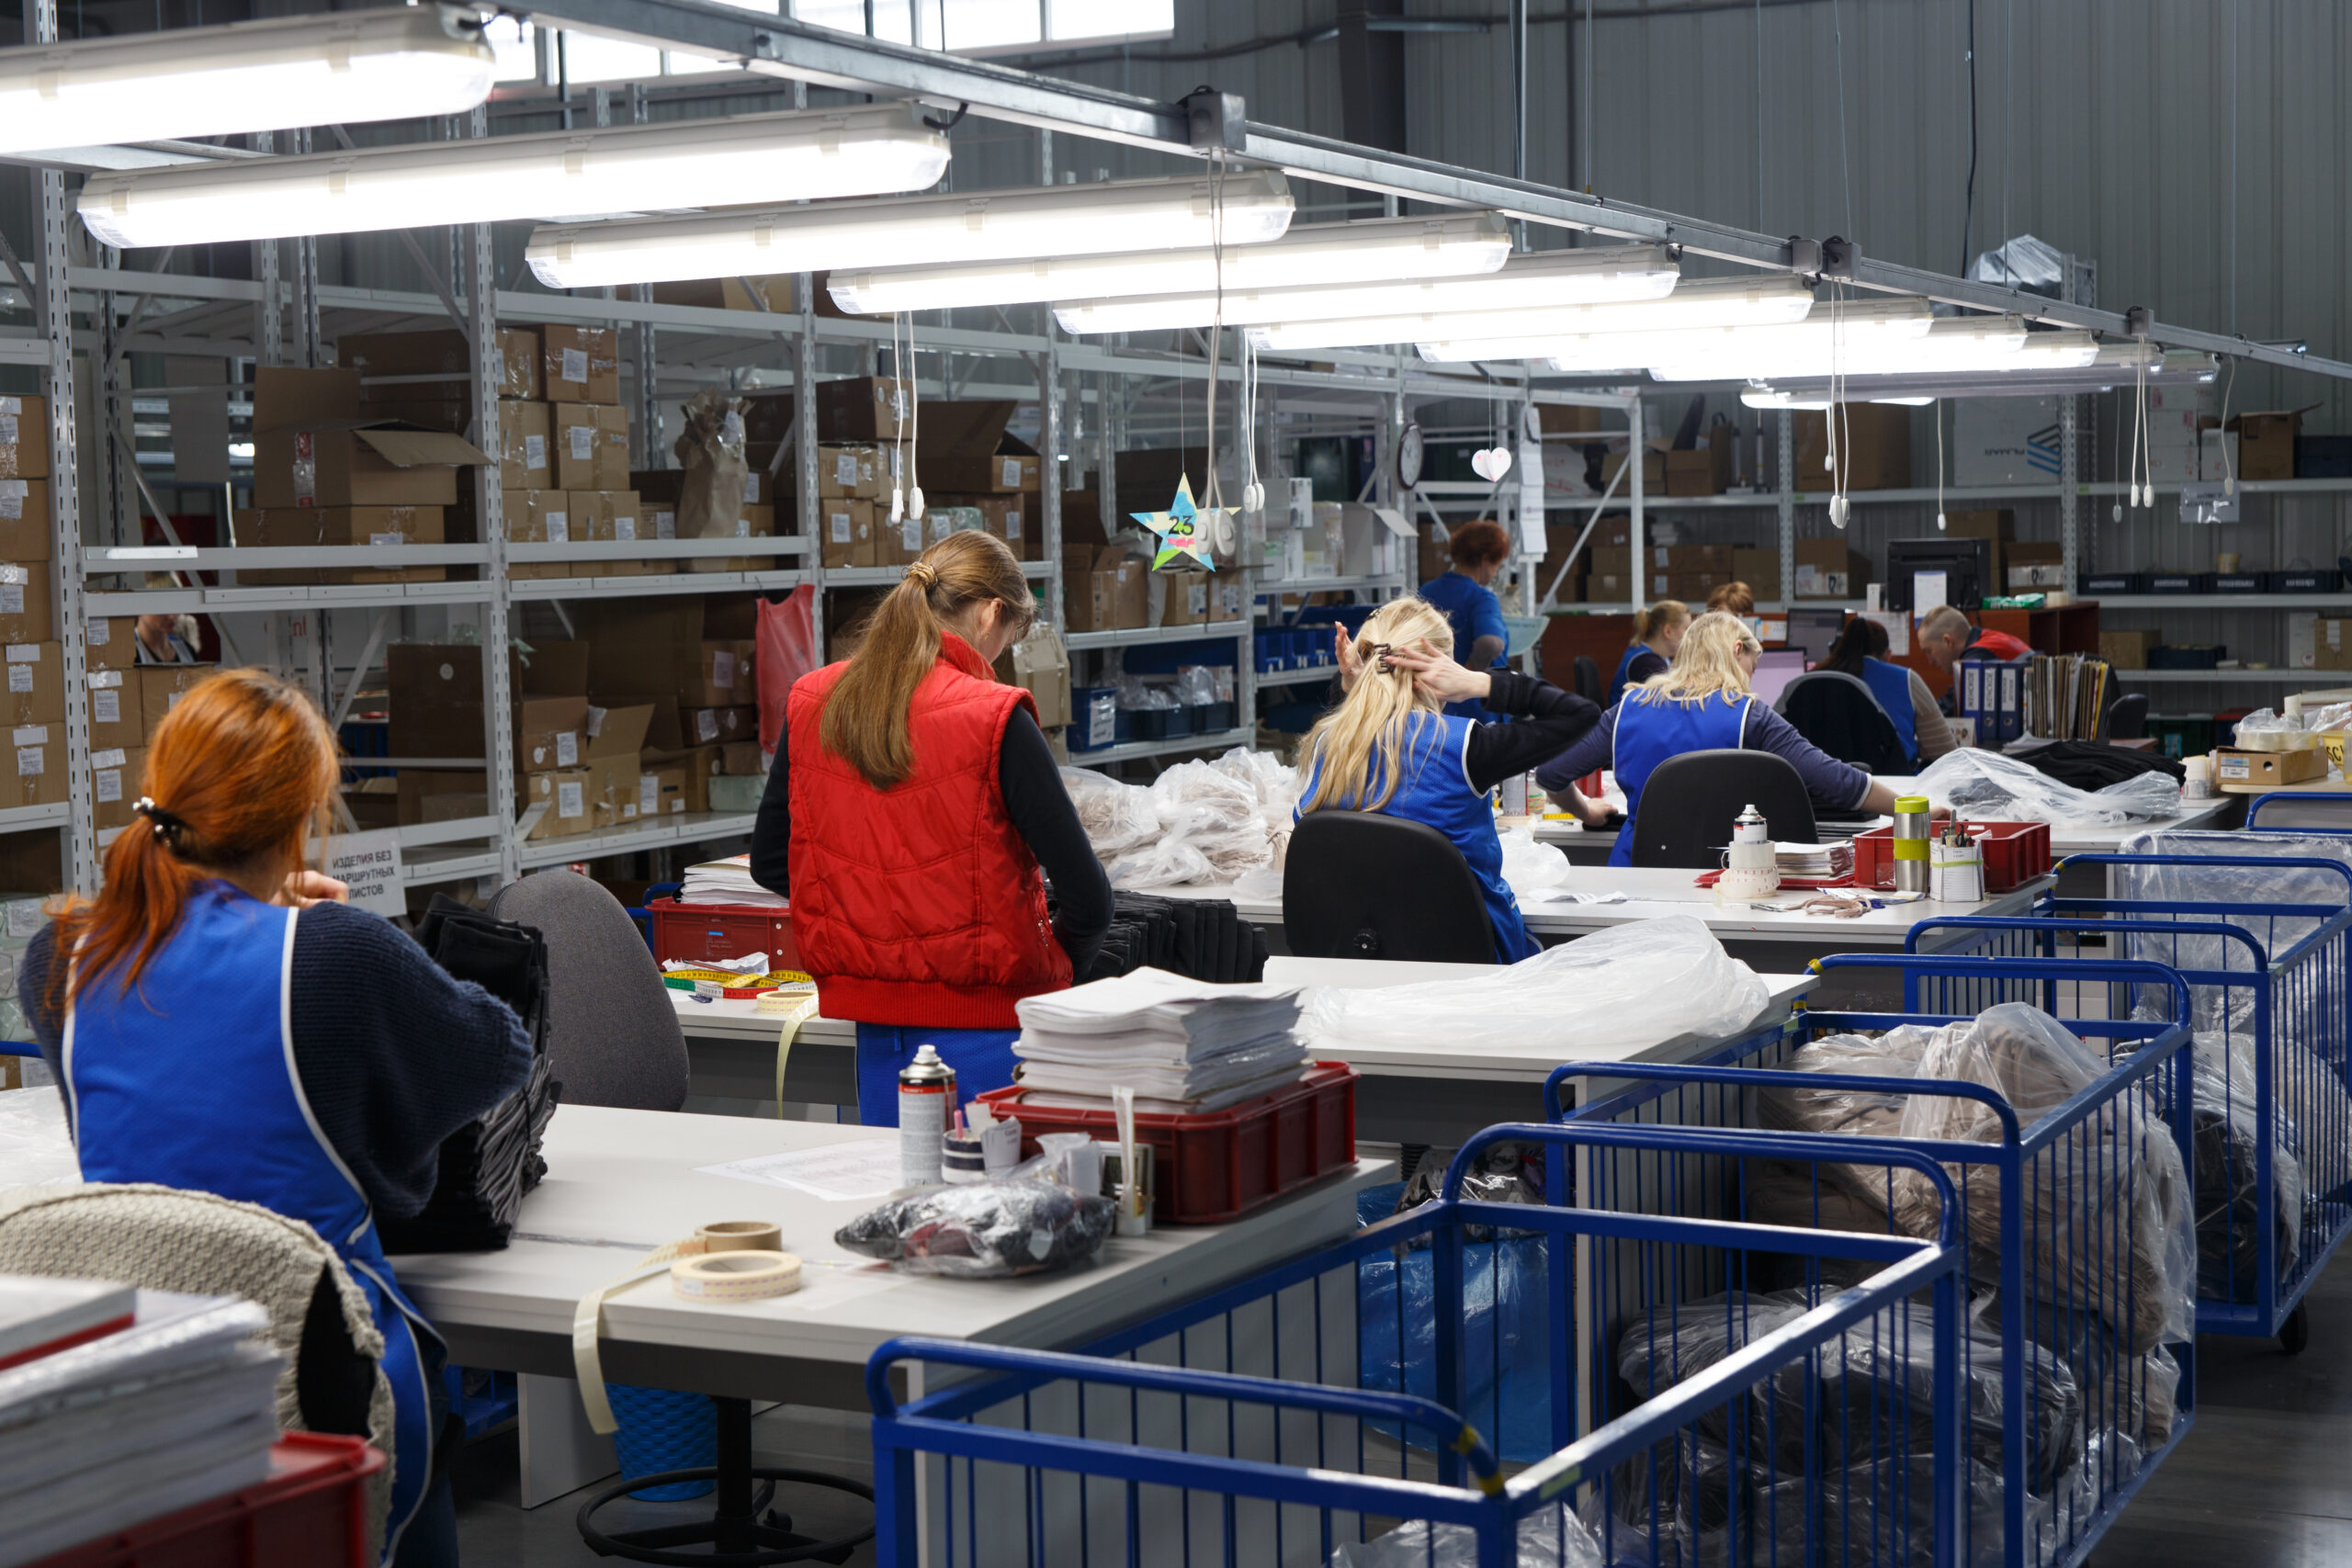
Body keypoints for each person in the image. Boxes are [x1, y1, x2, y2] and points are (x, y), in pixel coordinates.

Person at [17, 670, 533, 1568]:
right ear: (302, 816)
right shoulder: (331, 952)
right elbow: (498, 1052)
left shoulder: (60, 958)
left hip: (141, 1390)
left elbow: (168, 1132)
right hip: (331, 1386)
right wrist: (312, 939)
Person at [750, 531, 1112, 1122]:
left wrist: (872, 921)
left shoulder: (814, 700)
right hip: (993, 1036)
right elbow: (1090, 900)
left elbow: (772, 863)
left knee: (891, 1206)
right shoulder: (995, 715)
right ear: (993, 613)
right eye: (1010, 639)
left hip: (872, 1037)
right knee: (992, 1208)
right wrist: (1055, 970)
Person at [1296, 596, 1600, 964]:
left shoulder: (1328, 745)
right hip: (1469, 962)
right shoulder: (1463, 746)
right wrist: (1481, 682)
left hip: (1354, 963)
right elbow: (1581, 714)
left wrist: (1353, 685)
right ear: (1438, 670)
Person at [1536, 612, 1929, 865]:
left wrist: (1587, 811)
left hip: (1635, 878)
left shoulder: (1628, 707)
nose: (1750, 679)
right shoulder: (1749, 715)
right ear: (1737, 650)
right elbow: (1836, 781)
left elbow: (1552, 774)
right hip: (1728, 879)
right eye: (1752, 667)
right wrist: (1913, 809)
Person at [1816, 616, 1959, 765]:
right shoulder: (1906, 679)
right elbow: (1947, 753)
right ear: (1887, 655)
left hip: (1825, 783)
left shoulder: (1814, 679)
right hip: (1893, 784)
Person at [1415, 518, 1513, 720]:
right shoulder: (1481, 598)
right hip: (1477, 707)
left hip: (1433, 704)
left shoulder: (1426, 591)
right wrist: (1464, 674)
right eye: (1496, 565)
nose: (1495, 573)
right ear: (1485, 560)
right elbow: (1492, 643)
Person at [1918, 604, 2031, 716]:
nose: (1930, 661)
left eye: (1929, 651)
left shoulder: (1979, 653)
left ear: (1947, 641)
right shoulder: (1989, 638)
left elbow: (1951, 704)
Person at [1609, 599, 1690, 705]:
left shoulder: (1655, 656)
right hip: (1627, 720)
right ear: (1667, 631)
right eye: (1686, 629)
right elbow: (1674, 699)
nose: (1689, 635)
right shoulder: (1646, 663)